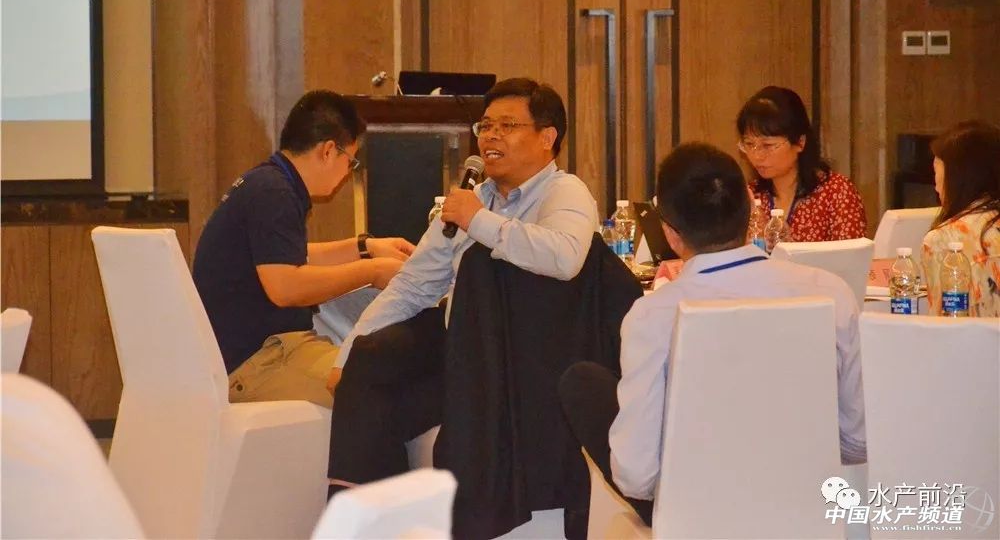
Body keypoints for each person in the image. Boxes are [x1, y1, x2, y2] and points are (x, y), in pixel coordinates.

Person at [559, 143, 866, 524]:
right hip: (809, 501)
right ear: (751, 212)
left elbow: (637, 475)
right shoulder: (830, 290)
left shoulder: (654, 314)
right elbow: (858, 440)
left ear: (670, 233)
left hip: (695, 513)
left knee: (583, 383)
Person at [325, 78, 600, 494]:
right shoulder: (473, 198)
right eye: (485, 126)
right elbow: (412, 285)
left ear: (547, 138)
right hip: (463, 346)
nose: (491, 136)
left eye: (507, 126)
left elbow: (564, 257)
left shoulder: (565, 191)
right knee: (369, 361)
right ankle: (364, 511)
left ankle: (371, 512)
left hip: (522, 357)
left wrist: (479, 221)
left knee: (383, 408)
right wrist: (345, 358)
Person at [192, 90, 414, 408]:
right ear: (328, 151)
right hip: (259, 361)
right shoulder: (275, 194)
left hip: (262, 351)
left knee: (382, 372)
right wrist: (373, 270)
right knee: (381, 386)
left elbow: (290, 256)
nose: (347, 173)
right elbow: (285, 287)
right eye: (350, 161)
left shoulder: (267, 182)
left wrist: (366, 247)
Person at [737, 85, 867, 242]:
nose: (757, 156)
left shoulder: (836, 193)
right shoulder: (750, 197)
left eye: (768, 145)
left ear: (800, 142)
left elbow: (850, 254)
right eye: (749, 144)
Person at [921, 120, 1000, 317]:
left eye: (937, 176)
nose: (936, 188)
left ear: (956, 179)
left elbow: (942, 324)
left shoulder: (943, 240)